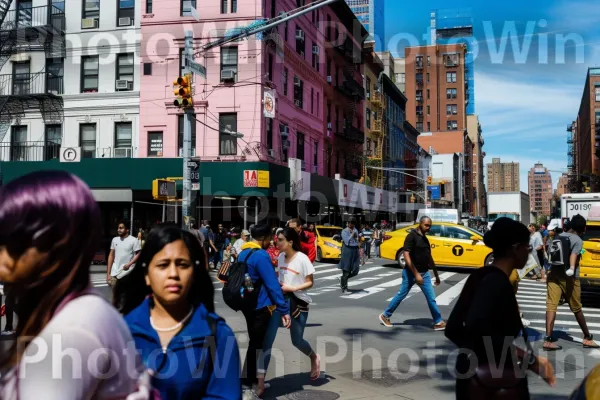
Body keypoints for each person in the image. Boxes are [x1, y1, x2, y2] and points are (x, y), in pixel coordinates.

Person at [0, 170, 142, 399]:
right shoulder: (77, 312)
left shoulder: (71, 331)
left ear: (57, 243)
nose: (3, 259)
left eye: (14, 244)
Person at [114, 224, 241, 399]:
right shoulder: (123, 332)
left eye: (182, 264)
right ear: (146, 275)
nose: (173, 273)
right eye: (163, 265)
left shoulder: (218, 335)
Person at [445, 217, 555, 399]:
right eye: (526, 247)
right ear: (515, 248)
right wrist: (531, 361)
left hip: (468, 376)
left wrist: (471, 351)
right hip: (493, 384)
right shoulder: (497, 282)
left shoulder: (479, 276)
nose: (528, 252)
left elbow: (453, 329)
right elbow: (481, 330)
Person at [260, 228, 321, 397]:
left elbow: (310, 282)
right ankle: (260, 382)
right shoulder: (280, 257)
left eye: (280, 240)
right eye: (275, 239)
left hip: (298, 303)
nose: (275, 242)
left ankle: (314, 357)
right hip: (281, 303)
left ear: (290, 242)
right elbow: (280, 278)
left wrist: (293, 287)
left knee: (297, 341)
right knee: (267, 341)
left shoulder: (302, 259)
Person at [237, 224, 291, 398]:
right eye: (270, 239)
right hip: (260, 306)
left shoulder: (243, 252)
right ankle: (247, 385)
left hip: (247, 303)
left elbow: (246, 280)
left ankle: (250, 381)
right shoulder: (261, 255)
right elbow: (272, 285)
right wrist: (284, 309)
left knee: (255, 342)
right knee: (257, 345)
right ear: (264, 238)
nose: (272, 242)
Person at [379, 216, 446, 331]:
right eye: (426, 225)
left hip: (424, 273)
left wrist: (436, 275)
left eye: (430, 225)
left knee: (431, 298)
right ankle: (385, 315)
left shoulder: (425, 239)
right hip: (410, 273)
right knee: (401, 295)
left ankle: (438, 322)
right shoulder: (411, 236)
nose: (428, 227)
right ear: (420, 224)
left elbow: (429, 257)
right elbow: (406, 255)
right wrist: (416, 274)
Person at [544, 214, 600, 350]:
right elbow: (574, 255)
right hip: (569, 277)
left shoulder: (558, 236)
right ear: (582, 228)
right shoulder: (577, 240)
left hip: (553, 274)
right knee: (576, 308)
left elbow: (549, 252)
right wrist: (572, 268)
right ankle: (587, 337)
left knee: (551, 305)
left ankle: (548, 339)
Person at [106, 220, 142, 287]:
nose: (119, 230)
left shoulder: (134, 240)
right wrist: (108, 273)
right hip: (115, 273)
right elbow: (111, 255)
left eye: (121, 228)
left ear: (127, 229)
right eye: (118, 228)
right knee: (115, 296)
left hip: (127, 273)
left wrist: (129, 264)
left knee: (126, 296)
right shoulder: (115, 240)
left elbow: (138, 254)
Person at [338, 219, 361, 293]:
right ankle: (344, 287)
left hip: (355, 250)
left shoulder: (356, 230)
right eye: (351, 223)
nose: (352, 225)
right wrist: (351, 235)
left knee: (355, 270)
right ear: (348, 223)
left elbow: (357, 240)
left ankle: (343, 279)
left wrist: (357, 238)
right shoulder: (344, 231)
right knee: (346, 270)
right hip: (347, 251)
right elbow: (346, 241)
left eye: (353, 223)